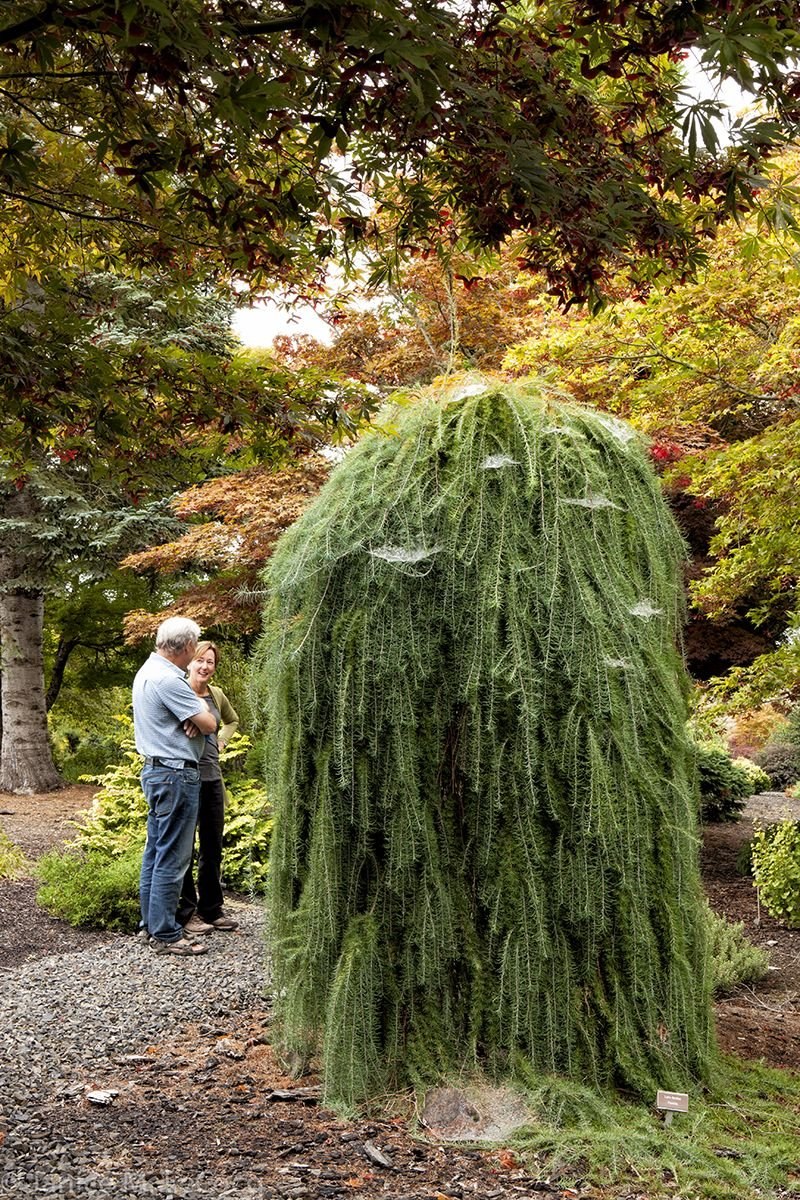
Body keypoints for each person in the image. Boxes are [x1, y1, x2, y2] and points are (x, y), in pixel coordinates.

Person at [132, 616, 218, 957]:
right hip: (175, 774)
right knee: (173, 856)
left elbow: (201, 723)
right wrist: (197, 714)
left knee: (155, 851)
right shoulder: (168, 679)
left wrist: (192, 716)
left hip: (157, 772)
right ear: (183, 648)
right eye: (192, 650)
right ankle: (167, 933)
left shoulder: (146, 672)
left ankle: (150, 926)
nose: (193, 656)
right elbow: (210, 721)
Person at [177, 640, 241, 934]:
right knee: (185, 848)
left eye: (210, 662)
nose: (204, 666)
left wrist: (222, 739)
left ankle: (212, 909)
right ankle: (187, 913)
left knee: (212, 846)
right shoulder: (178, 689)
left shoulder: (216, 694)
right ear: (190, 660)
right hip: (186, 778)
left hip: (212, 777)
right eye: (200, 660)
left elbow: (232, 720)